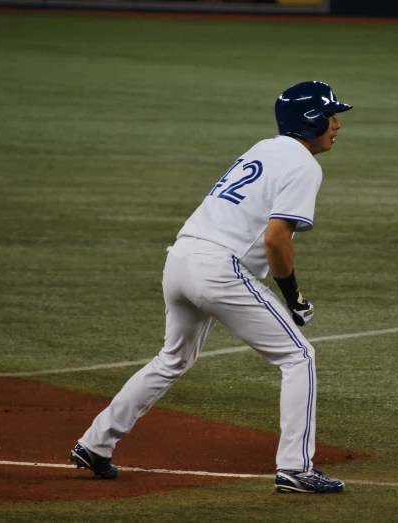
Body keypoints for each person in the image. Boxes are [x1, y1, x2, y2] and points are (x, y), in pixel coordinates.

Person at [70, 81, 351, 494]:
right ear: (309, 120)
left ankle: (96, 443)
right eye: (330, 116)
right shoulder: (305, 165)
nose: (337, 125)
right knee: (299, 358)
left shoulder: (263, 147)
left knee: (172, 359)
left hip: (180, 258)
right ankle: (294, 468)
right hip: (219, 269)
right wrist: (294, 297)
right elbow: (276, 239)